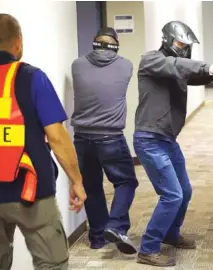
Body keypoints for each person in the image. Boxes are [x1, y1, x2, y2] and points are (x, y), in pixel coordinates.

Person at [0, 13, 87, 270]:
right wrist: (77, 181)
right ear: (18, 41)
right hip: (31, 194)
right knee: (52, 263)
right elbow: (57, 138)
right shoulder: (31, 77)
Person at [133, 21, 213, 267]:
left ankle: (170, 233)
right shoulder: (152, 60)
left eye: (186, 45)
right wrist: (210, 66)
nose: (183, 48)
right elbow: (176, 65)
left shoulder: (176, 69)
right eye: (180, 43)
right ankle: (148, 248)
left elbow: (192, 75)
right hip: (149, 139)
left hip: (167, 139)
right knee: (171, 195)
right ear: (168, 40)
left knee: (185, 191)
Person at [70, 27, 139, 254]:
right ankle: (116, 226)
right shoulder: (126, 65)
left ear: (94, 43)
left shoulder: (77, 65)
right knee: (126, 182)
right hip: (110, 136)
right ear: (116, 43)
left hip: (81, 137)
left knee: (91, 186)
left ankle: (98, 237)